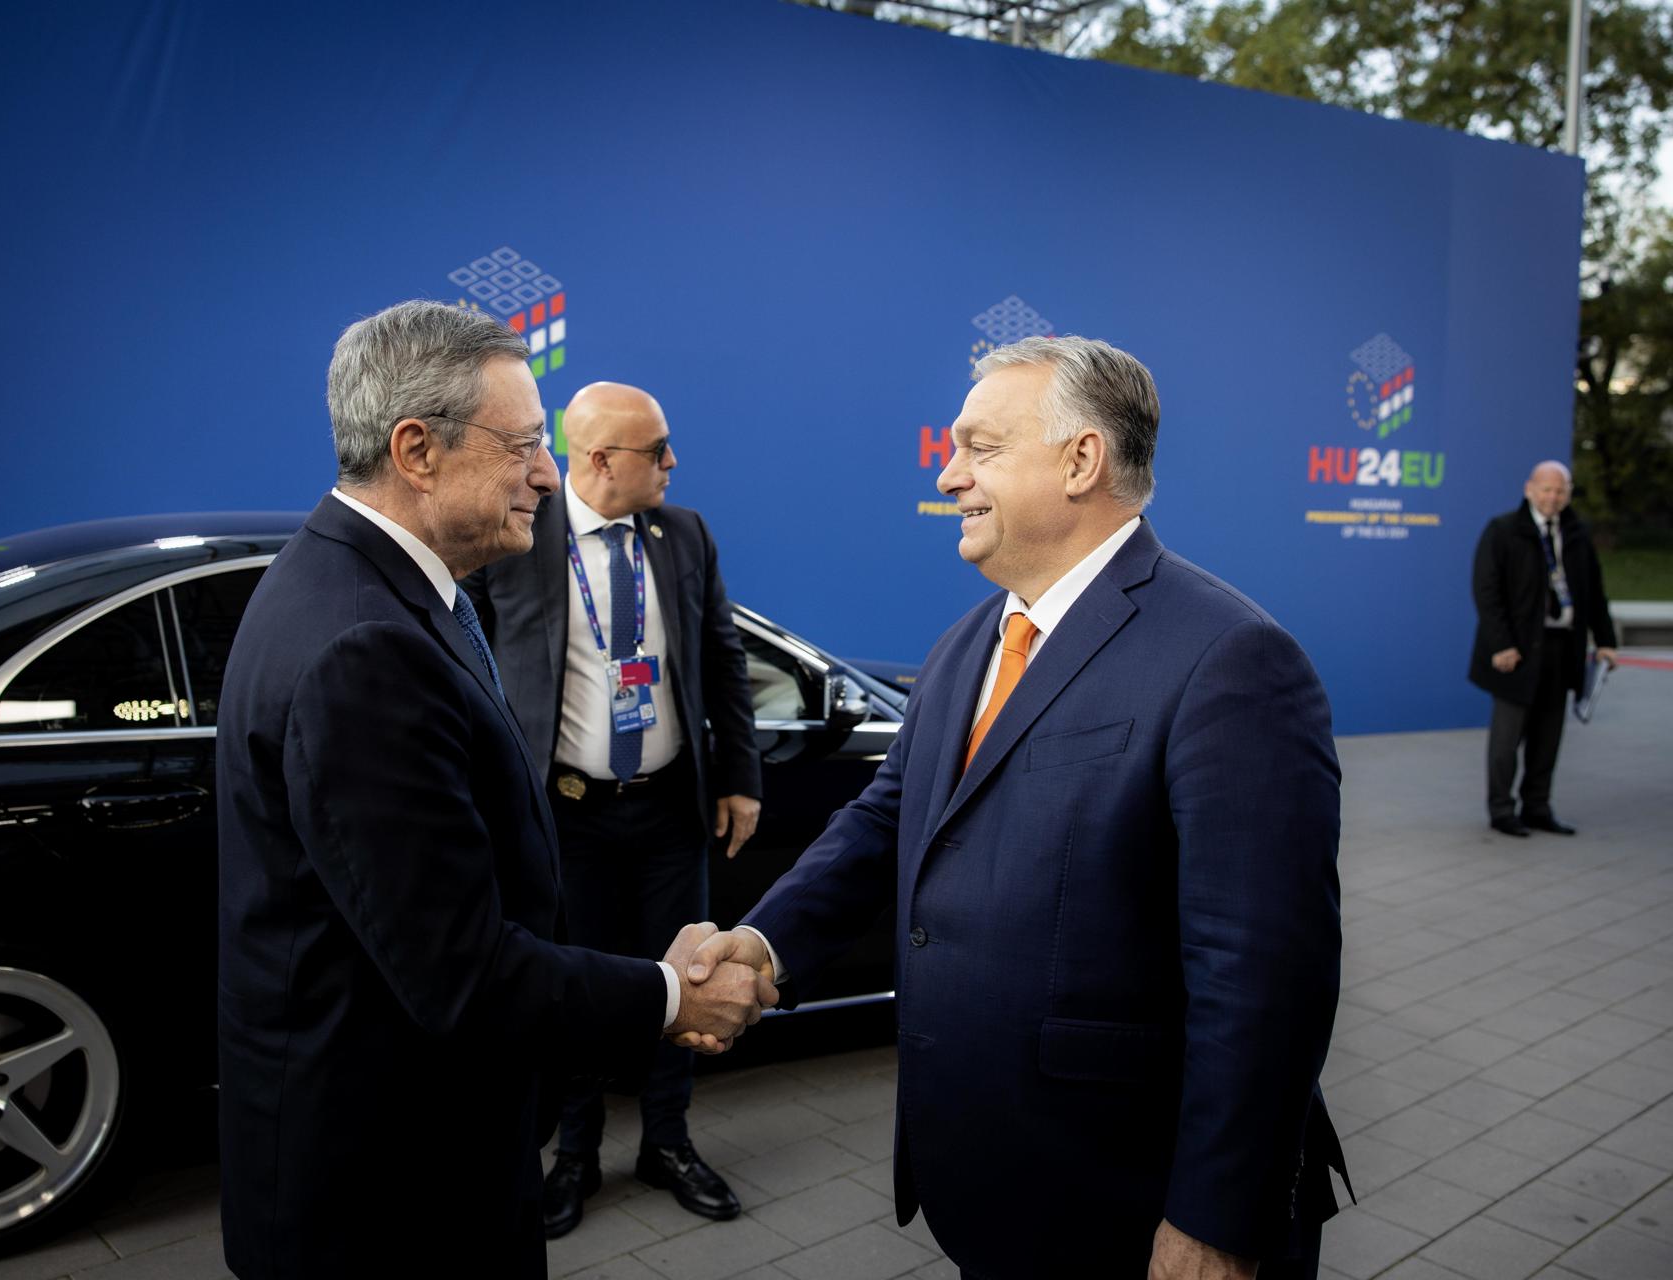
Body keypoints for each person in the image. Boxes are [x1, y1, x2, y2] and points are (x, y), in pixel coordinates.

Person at [683, 336, 1347, 1279]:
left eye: (980, 447)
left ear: (1082, 460)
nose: (949, 474)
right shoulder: (969, 643)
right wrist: (763, 943)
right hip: (992, 1183)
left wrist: (1216, 1220)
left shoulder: (1230, 660)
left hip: (1139, 1202)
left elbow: (1264, 976)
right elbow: (885, 821)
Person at [215, 301, 772, 1279]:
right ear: (416, 448)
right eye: (523, 445)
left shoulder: (370, 591)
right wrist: (671, 989)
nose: (548, 473)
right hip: (392, 1201)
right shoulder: (365, 645)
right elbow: (463, 976)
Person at [461, 381, 763, 1238]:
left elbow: (723, 657)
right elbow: (472, 672)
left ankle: (667, 1142)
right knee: (576, 987)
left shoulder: (684, 534)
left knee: (689, 976)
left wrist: (739, 776)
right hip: (567, 819)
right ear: (598, 460)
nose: (673, 463)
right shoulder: (519, 535)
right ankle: (577, 1156)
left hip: (671, 809)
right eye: (656, 450)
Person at [1468, 460, 1619, 836]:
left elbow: (1594, 593)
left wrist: (1605, 641)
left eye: (1561, 490)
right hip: (1517, 653)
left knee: (1549, 736)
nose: (1553, 497)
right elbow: (1487, 593)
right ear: (1529, 489)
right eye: (1547, 489)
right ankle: (1502, 809)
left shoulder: (1577, 534)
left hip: (1562, 649)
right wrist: (1502, 644)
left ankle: (1538, 806)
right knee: (1507, 739)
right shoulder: (1504, 531)